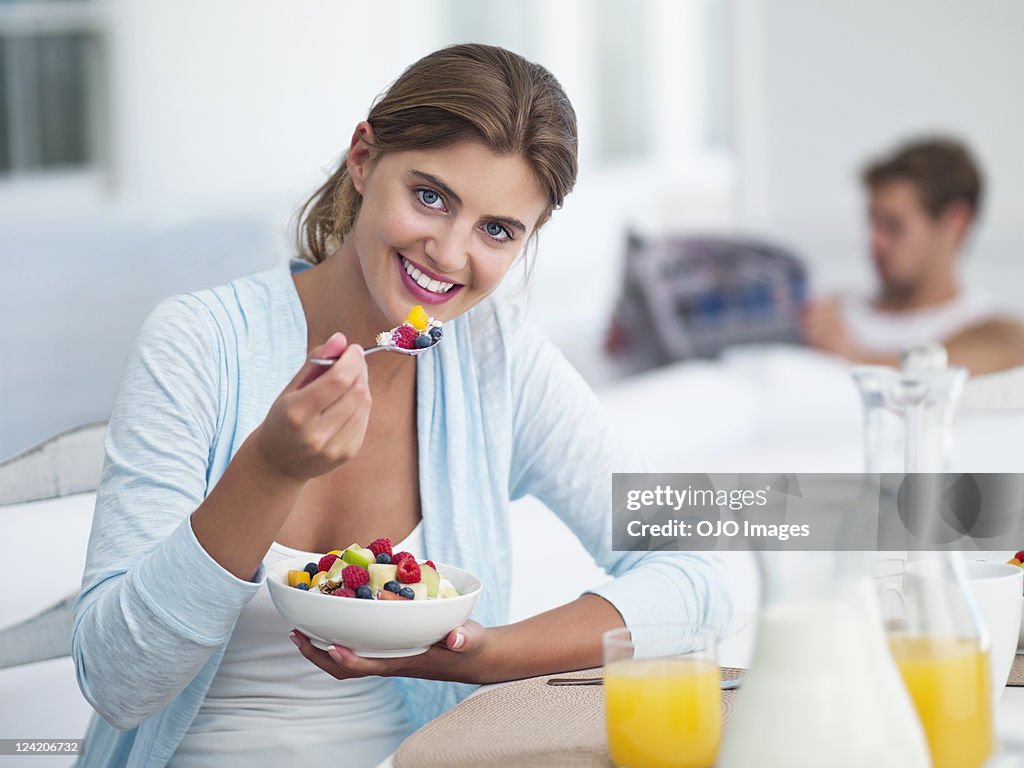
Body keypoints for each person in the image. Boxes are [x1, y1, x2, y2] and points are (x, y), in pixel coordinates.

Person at [71, 44, 730, 767]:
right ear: (363, 160)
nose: (449, 253)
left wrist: (485, 656)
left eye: (497, 230)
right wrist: (268, 469)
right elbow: (117, 684)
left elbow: (695, 573)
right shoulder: (197, 343)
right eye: (430, 196)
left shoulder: (495, 359)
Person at [800, 137, 1024, 374]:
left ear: (956, 224)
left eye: (893, 226)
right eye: (873, 223)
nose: (875, 241)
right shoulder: (831, 311)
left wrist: (851, 356)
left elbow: (939, 377)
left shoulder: (991, 332)